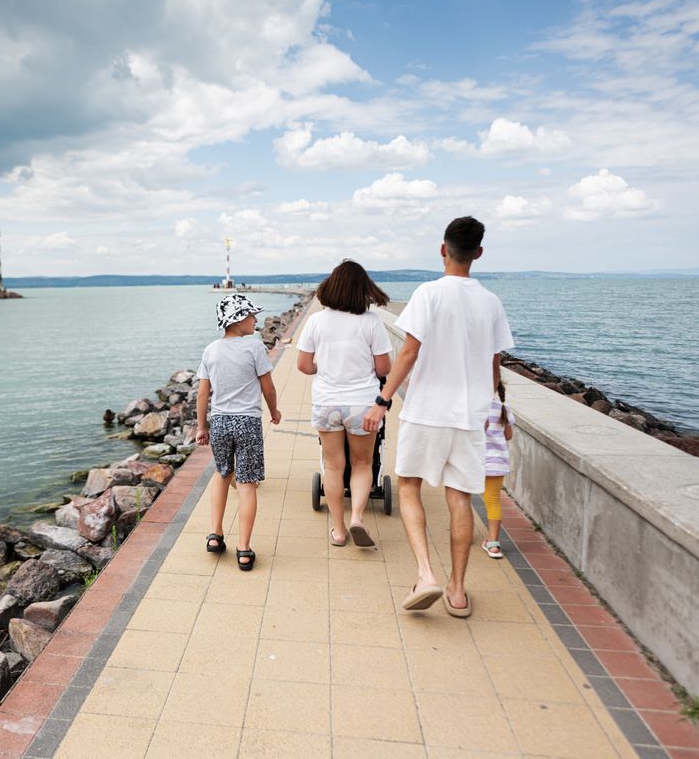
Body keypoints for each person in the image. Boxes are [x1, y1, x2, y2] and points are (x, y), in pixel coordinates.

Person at [363, 216, 513, 617]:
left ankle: (426, 573)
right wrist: (494, 406)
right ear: (478, 253)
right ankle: (458, 591)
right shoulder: (491, 302)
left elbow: (409, 352)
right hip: (471, 415)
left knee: (409, 486)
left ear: (443, 249)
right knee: (460, 497)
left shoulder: (428, 293)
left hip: (427, 410)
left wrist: (382, 400)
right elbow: (494, 363)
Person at [296, 260, 393, 548]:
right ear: (364, 290)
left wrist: (324, 369)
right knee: (362, 463)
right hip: (363, 404)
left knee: (334, 466)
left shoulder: (316, 321)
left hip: (327, 402)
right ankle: (358, 518)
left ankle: (338, 530)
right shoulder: (371, 322)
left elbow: (303, 365)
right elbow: (383, 367)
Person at [196, 293, 282, 571]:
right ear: (238, 319)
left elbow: (203, 394)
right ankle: (244, 550)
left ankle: (215, 535)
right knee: (246, 485)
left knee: (222, 476)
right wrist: (274, 411)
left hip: (219, 422)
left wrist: (201, 427)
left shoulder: (211, 350)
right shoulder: (254, 348)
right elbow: (267, 387)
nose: (256, 320)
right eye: (251, 316)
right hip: (247, 423)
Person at [482, 380, 515, 558]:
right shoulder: (503, 407)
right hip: (497, 462)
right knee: (493, 500)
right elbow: (509, 436)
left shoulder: (475, 407)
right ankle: (493, 543)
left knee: (463, 497)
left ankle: (462, 532)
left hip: (476, 461)